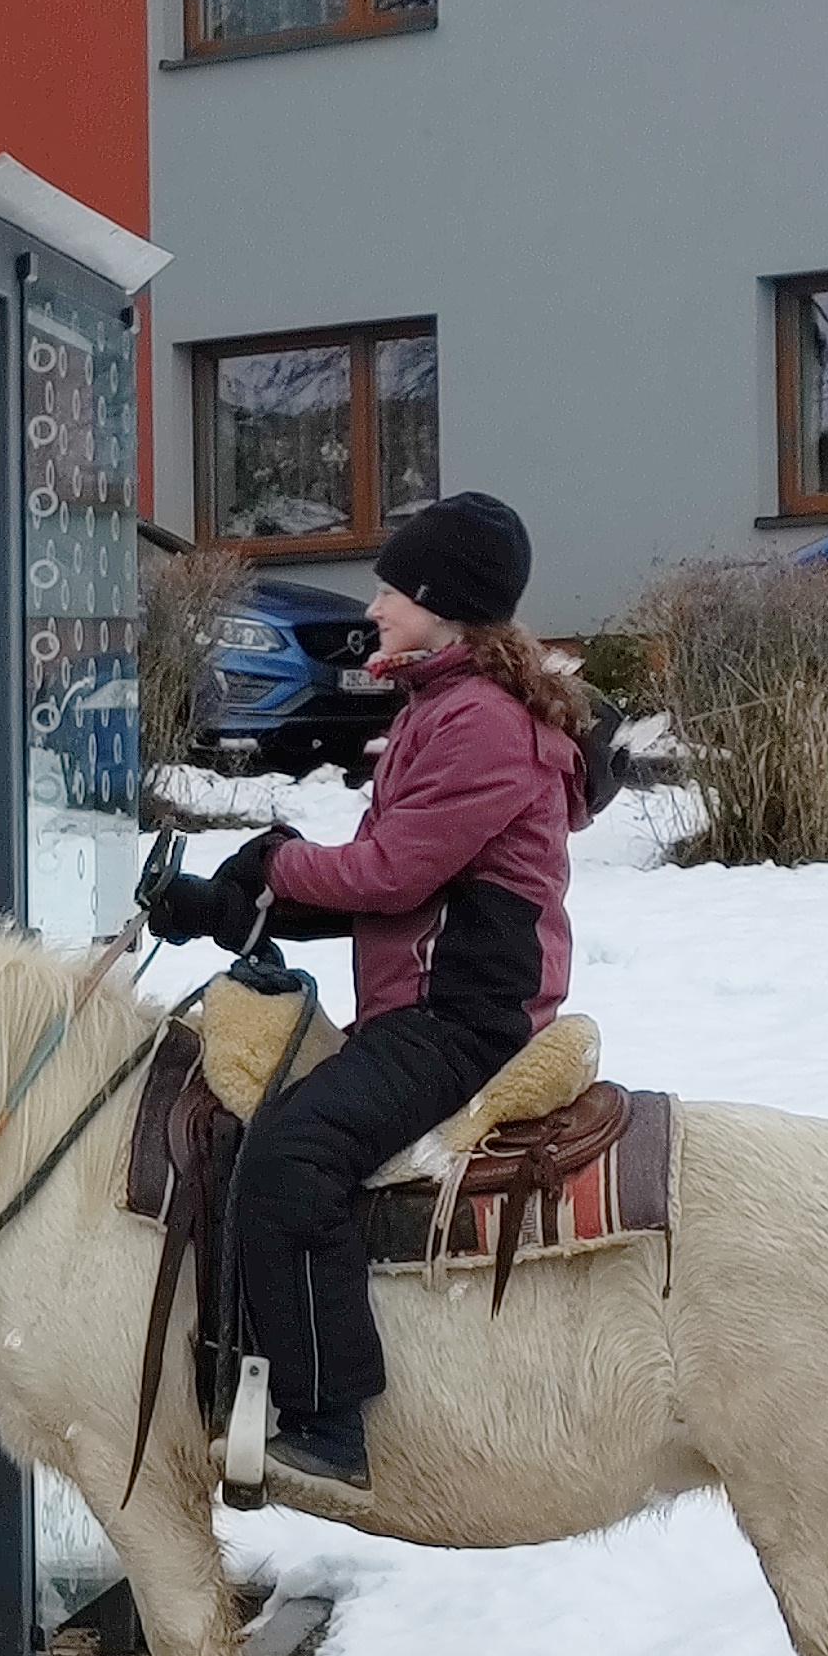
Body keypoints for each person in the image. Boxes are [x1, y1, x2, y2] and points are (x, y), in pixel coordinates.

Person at [143, 491, 592, 1490]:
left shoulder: (476, 721)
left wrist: (270, 864)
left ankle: (329, 1419)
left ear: (444, 604)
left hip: (460, 1018)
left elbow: (388, 875)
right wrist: (222, 902)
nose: (377, 605)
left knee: (292, 1160)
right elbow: (389, 884)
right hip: (430, 1003)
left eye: (395, 588)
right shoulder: (444, 705)